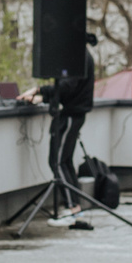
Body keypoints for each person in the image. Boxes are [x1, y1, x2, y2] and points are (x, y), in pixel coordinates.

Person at [22, 31, 99, 223]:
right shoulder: (83, 56)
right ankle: (75, 207)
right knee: (64, 162)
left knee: (57, 161)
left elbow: (67, 87)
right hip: (73, 114)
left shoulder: (78, 59)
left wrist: (40, 90)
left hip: (71, 115)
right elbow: (68, 88)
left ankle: (73, 208)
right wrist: (45, 96)